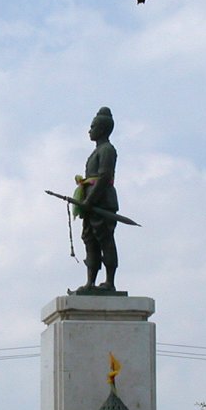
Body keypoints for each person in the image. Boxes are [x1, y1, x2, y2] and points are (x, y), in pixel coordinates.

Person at [76, 106, 120, 292]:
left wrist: (90, 200)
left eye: (93, 127)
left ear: (101, 129)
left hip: (102, 201)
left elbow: (103, 177)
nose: (90, 130)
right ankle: (90, 282)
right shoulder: (96, 152)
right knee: (89, 239)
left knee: (105, 239)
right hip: (90, 203)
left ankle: (109, 282)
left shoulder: (107, 150)